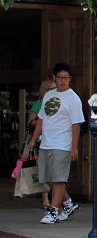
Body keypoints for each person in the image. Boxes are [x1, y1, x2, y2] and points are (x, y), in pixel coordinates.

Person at [27, 62, 84, 224]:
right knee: (47, 177)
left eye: (66, 78)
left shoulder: (73, 98)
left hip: (62, 143)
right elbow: (41, 119)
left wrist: (74, 147)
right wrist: (33, 140)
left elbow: (76, 124)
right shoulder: (49, 95)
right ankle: (68, 204)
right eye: (60, 77)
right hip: (46, 142)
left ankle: (53, 210)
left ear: (70, 79)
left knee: (59, 178)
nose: (63, 81)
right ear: (54, 78)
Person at [27, 79, 56, 209]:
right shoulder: (40, 103)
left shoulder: (56, 102)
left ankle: (59, 198)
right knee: (44, 171)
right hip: (42, 140)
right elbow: (31, 122)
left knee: (54, 172)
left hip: (54, 140)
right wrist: (42, 121)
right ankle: (46, 199)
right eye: (51, 89)